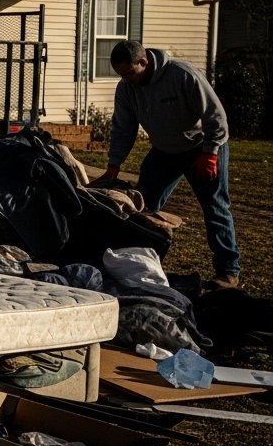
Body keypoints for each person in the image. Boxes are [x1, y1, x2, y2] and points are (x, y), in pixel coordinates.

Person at [99, 40, 240, 290]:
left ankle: (228, 272)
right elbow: (123, 128)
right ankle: (138, 265)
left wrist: (210, 153)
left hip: (201, 146)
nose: (127, 79)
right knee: (141, 204)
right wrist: (114, 164)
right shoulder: (127, 88)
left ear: (144, 62)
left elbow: (216, 117)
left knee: (215, 207)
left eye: (130, 73)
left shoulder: (182, 75)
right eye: (122, 75)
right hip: (165, 151)